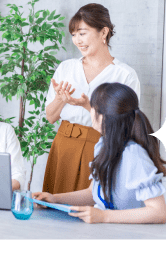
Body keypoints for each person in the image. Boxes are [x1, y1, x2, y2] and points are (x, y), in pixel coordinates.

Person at [34, 83, 166, 224]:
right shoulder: (103, 145)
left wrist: (104, 216)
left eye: (92, 107)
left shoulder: (134, 154)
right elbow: (92, 193)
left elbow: (159, 212)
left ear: (103, 117)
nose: (90, 111)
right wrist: (55, 199)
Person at [43, 3, 140, 194]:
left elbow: (127, 128)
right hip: (62, 146)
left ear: (103, 32)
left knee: (90, 208)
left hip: (101, 148)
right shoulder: (66, 68)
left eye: (83, 33)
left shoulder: (124, 75)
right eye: (74, 34)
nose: (77, 40)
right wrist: (61, 99)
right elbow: (50, 117)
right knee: (54, 208)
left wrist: (89, 106)